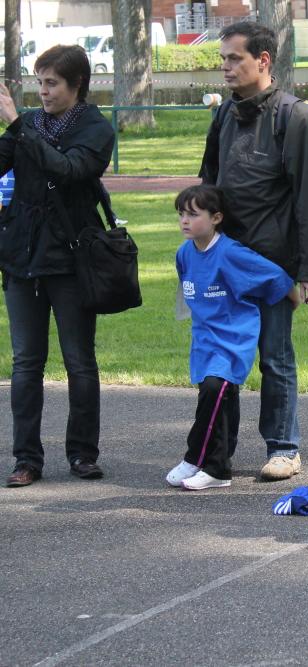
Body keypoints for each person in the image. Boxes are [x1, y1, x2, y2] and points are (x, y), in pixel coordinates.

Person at [199, 22, 308, 482]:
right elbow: (208, 187)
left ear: (263, 60)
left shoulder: (295, 118)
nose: (226, 68)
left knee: (275, 357)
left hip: (273, 265)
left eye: (234, 58)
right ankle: (218, 453)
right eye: (223, 59)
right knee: (223, 358)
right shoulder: (222, 117)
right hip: (225, 263)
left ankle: (283, 447)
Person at [0, 45, 114, 487]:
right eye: (38, 83)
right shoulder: (27, 124)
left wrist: (16, 125)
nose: (43, 92)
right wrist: (13, 129)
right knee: (26, 363)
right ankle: (26, 458)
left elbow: (68, 170)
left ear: (76, 85)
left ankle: (83, 453)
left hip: (70, 261)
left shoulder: (95, 129)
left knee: (79, 361)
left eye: (51, 83)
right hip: (22, 260)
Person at [168, 185, 297, 490]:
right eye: (181, 214)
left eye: (193, 214)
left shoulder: (230, 253)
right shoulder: (184, 254)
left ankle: (207, 465)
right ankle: (209, 463)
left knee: (215, 391)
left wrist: (291, 296)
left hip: (231, 343)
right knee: (214, 400)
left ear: (216, 218)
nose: (185, 220)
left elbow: (275, 276)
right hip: (204, 341)